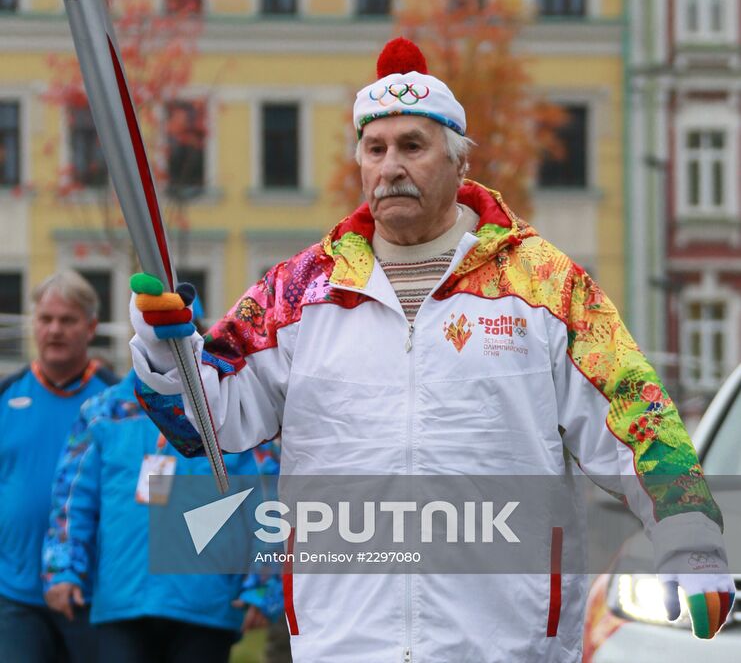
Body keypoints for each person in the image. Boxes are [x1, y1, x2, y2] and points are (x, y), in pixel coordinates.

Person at [129, 37, 735, 661]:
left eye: (412, 147)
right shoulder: (302, 291)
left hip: (504, 641)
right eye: (375, 148)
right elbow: (203, 420)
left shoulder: (544, 286)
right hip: (346, 641)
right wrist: (163, 349)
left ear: (458, 163)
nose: (390, 166)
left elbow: (639, 417)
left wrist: (687, 536)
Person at [42, 366, 285, 663]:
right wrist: (62, 568)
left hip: (205, 603)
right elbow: (70, 499)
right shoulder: (103, 412)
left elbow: (272, 502)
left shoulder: (232, 410)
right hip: (123, 599)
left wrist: (264, 584)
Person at [0, 270, 117, 663]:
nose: (55, 330)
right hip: (14, 593)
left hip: (93, 594)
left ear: (92, 327)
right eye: (46, 319)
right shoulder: (7, 395)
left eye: (67, 320)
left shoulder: (117, 402)